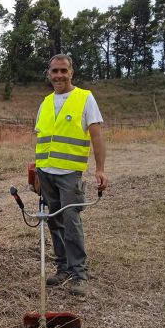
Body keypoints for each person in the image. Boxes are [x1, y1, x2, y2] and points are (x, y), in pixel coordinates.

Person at [34, 54, 108, 296]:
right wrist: (36, 172)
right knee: (54, 222)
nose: (59, 75)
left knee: (71, 222)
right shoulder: (45, 103)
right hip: (46, 173)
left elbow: (96, 135)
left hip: (69, 174)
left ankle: (79, 273)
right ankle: (63, 267)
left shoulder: (84, 98)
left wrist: (99, 169)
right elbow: (41, 140)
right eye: (54, 71)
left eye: (63, 71)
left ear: (71, 72)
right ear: (49, 74)